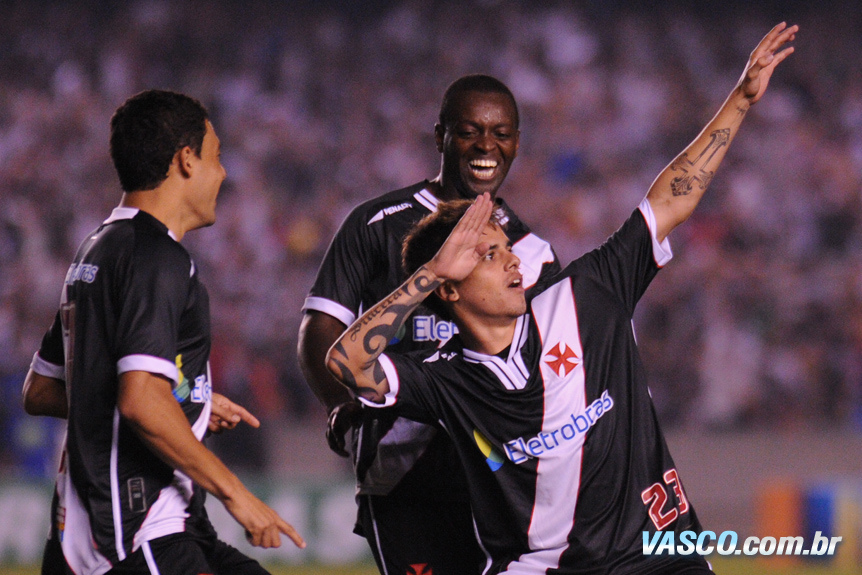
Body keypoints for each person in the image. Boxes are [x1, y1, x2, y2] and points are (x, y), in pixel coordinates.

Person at [325, 23, 797, 574]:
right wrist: (429, 273)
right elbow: (345, 362)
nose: (512, 261)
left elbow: (669, 201)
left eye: (506, 248)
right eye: (488, 254)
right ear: (449, 286)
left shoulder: (586, 294)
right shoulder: (447, 379)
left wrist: (740, 100)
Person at [22, 90, 305, 575]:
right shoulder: (156, 259)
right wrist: (237, 495)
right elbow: (140, 401)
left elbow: (41, 389)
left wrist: (185, 402)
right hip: (136, 535)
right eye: (217, 156)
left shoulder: (97, 250)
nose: (223, 173)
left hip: (120, 533)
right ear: (186, 160)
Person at [298, 75, 560, 573]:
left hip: (496, 476)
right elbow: (320, 331)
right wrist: (340, 406)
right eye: (469, 131)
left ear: (517, 143)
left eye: (501, 133)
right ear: (440, 136)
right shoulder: (377, 224)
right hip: (402, 476)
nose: (486, 146)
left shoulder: (532, 253)